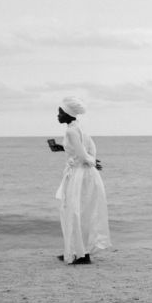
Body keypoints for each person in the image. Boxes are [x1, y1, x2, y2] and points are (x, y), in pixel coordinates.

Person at [53, 97, 111, 265]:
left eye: (60, 112)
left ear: (68, 114)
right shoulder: (79, 129)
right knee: (84, 213)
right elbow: (89, 149)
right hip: (87, 174)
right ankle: (77, 251)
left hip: (78, 175)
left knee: (73, 212)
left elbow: (80, 154)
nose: (58, 116)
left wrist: (90, 161)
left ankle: (79, 253)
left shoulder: (71, 131)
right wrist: (91, 161)